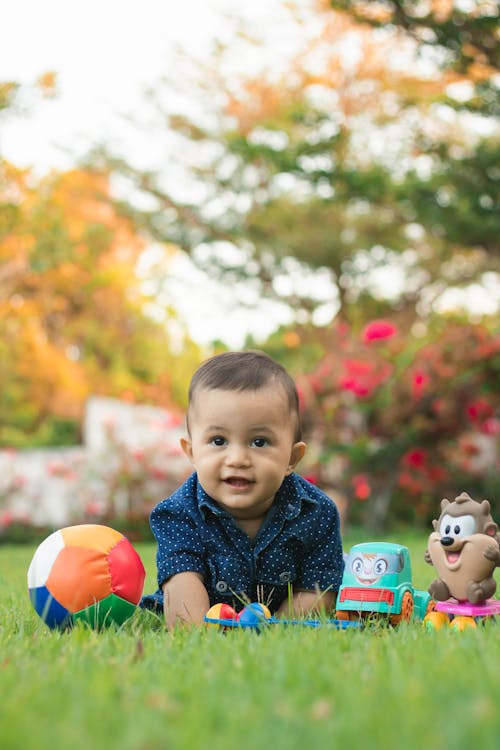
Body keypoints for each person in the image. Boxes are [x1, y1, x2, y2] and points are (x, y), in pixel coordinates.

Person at [141, 350, 344, 628]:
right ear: (191, 451)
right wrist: (200, 632)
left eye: (259, 442)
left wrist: (277, 631)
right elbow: (182, 584)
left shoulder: (316, 513)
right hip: (205, 611)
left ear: (292, 459)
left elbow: (318, 591)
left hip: (279, 615)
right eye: (218, 440)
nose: (237, 459)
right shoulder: (178, 514)